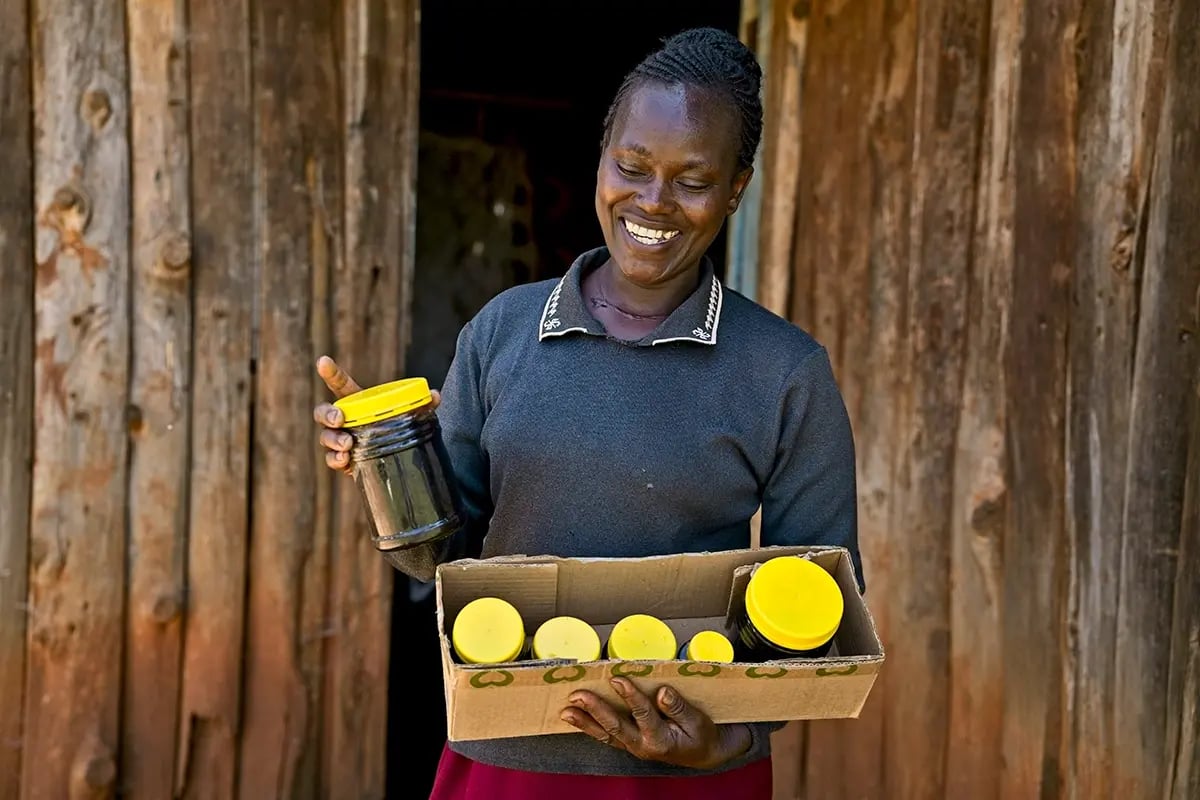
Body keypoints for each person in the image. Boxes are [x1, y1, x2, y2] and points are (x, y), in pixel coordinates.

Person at [314, 26, 861, 800]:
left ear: (737, 188)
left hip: (689, 774)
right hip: (507, 757)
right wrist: (389, 458)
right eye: (631, 167)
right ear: (601, 156)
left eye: (692, 180)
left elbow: (822, 612)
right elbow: (439, 563)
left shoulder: (782, 372)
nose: (653, 202)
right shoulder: (504, 332)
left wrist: (728, 740)